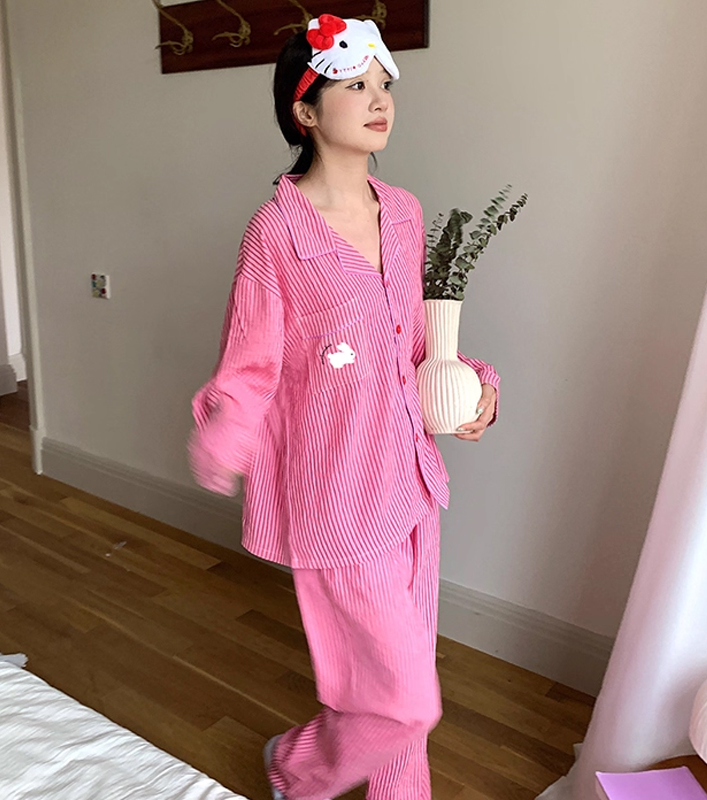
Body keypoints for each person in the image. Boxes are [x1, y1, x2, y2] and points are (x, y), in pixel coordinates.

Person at [187, 14, 500, 800]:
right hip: (335, 497)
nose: (379, 99)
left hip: (412, 482)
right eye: (355, 85)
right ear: (305, 110)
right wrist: (223, 440)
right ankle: (297, 769)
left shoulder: (404, 211)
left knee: (401, 688)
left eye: (383, 84)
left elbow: (416, 342)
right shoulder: (276, 235)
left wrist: (473, 384)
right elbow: (249, 366)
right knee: (403, 701)